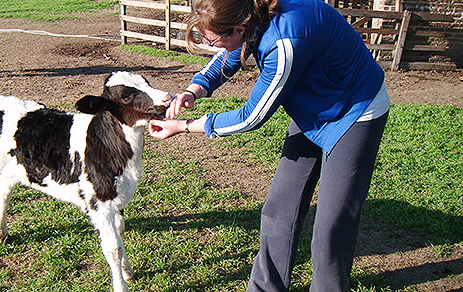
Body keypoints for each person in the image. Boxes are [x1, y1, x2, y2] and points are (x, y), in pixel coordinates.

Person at [148, 0, 390, 291]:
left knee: (330, 228)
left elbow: (251, 116)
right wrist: (194, 89)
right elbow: (231, 50)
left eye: (211, 40)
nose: (211, 46)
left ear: (238, 28)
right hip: (313, 107)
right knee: (279, 209)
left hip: (355, 112)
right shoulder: (249, 17)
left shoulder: (286, 41)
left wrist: (185, 126)